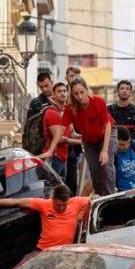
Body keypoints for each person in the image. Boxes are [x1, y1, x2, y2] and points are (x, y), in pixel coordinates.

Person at [52, 77, 118, 196]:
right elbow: (60, 130)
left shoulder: (98, 101)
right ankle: (100, 195)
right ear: (72, 94)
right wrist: (51, 150)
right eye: (76, 94)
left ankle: (110, 195)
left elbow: (107, 125)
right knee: (94, 170)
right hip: (89, 140)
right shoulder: (70, 109)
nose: (80, 96)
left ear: (87, 90)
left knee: (105, 166)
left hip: (107, 134)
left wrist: (104, 151)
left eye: (82, 92)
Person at [0, 184, 89, 250]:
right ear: (52, 199)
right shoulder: (44, 204)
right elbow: (16, 202)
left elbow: (94, 198)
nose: (61, 208)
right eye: (58, 204)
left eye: (64, 205)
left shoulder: (76, 203)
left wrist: (81, 216)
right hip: (43, 250)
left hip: (63, 252)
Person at [38, 82, 82, 179]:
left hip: (63, 157)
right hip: (53, 157)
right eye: (59, 91)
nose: (62, 93)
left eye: (64, 91)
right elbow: (60, 139)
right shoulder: (51, 112)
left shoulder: (66, 112)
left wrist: (87, 136)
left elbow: (73, 134)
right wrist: (81, 142)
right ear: (53, 95)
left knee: (60, 189)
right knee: (51, 189)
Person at [64, 66, 82, 194]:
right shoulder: (62, 92)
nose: (74, 79)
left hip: (77, 144)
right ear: (66, 77)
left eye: (77, 76)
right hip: (64, 139)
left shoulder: (82, 94)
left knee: (74, 177)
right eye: (71, 76)